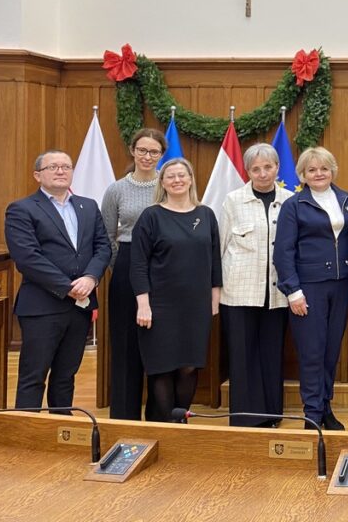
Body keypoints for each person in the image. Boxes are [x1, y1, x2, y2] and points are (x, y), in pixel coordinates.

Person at [5, 150, 112, 409]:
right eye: (53, 167)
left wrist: (91, 278)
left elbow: (103, 247)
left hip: (80, 307)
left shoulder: (88, 206)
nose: (61, 171)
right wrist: (67, 287)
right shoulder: (22, 209)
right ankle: (27, 431)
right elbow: (27, 258)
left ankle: (62, 428)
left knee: (66, 376)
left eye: (66, 166)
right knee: (33, 377)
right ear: (37, 175)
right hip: (42, 307)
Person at [274, 146, 348, 430]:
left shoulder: (347, 200)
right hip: (308, 288)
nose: (318, 174)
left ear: (332, 171)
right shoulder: (294, 205)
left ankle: (326, 407)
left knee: (330, 351)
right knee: (312, 352)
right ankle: (312, 413)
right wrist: (293, 291)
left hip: (341, 285)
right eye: (312, 170)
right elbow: (283, 252)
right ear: (302, 174)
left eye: (324, 168)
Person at [131, 158, 222, 422]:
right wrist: (143, 304)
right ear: (162, 183)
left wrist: (214, 299)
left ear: (191, 179)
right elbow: (138, 264)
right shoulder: (151, 216)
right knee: (161, 368)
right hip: (159, 305)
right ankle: (163, 427)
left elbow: (215, 260)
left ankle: (180, 423)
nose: (177, 180)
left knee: (189, 367)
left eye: (182, 175)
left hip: (196, 305)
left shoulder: (206, 215)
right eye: (170, 176)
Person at [220, 143, 293, 427]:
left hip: (277, 294)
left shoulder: (290, 201)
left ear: (277, 168)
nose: (263, 174)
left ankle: (272, 415)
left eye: (268, 167)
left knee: (272, 353)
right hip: (238, 292)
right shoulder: (233, 200)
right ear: (247, 171)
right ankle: (245, 418)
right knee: (242, 355)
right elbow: (221, 245)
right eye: (256, 169)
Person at [101, 128, 166, 420]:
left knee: (159, 344)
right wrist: (122, 265)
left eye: (154, 152)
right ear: (132, 151)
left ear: (161, 155)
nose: (147, 156)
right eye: (142, 150)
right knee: (125, 344)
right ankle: (124, 418)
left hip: (163, 266)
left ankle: (159, 419)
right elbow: (106, 235)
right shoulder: (116, 190)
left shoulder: (168, 184)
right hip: (126, 266)